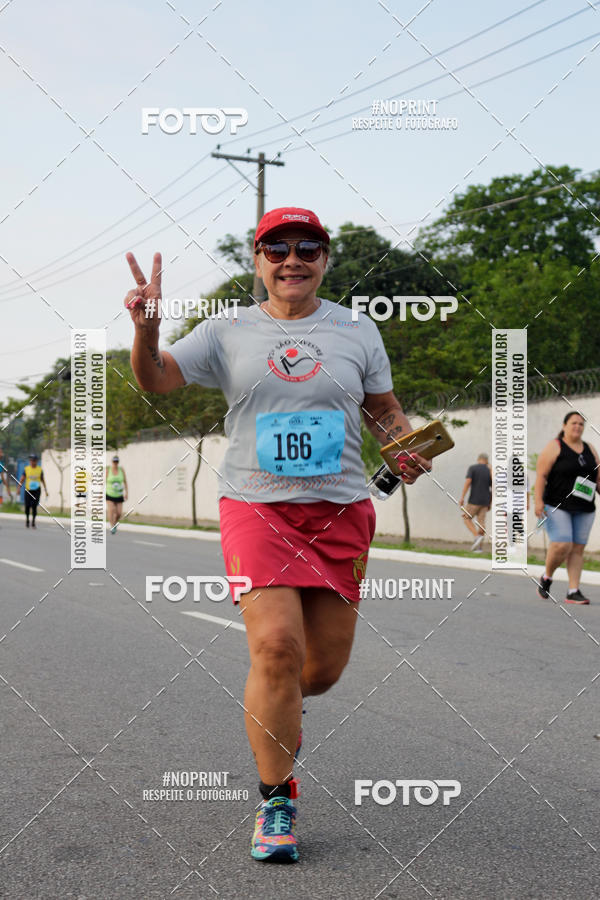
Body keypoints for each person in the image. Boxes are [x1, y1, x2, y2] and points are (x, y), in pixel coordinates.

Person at [124, 206, 431, 863]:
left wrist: (402, 443)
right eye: (277, 249)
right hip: (255, 508)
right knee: (275, 648)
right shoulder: (227, 329)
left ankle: (280, 706)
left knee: (318, 671)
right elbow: (156, 379)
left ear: (325, 259)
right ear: (258, 261)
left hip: (341, 511)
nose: (293, 260)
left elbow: (383, 410)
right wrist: (146, 330)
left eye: (307, 248)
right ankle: (276, 799)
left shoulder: (357, 329)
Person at [534, 411, 600, 604]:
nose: (577, 426)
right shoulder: (555, 446)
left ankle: (573, 591)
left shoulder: (590, 448)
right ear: (564, 426)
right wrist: (538, 501)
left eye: (581, 424)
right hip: (557, 505)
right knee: (562, 544)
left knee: (577, 549)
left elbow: (597, 478)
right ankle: (547, 577)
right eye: (573, 423)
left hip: (585, 507)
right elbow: (541, 476)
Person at [459, 453, 492, 551]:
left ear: (478, 459)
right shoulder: (489, 471)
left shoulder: (473, 468)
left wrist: (462, 497)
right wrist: (490, 502)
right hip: (485, 502)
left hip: (474, 500)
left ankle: (476, 536)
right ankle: (479, 548)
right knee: (481, 524)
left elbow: (468, 482)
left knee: (466, 518)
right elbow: (493, 487)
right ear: (486, 460)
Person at [18, 453, 47, 528]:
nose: (32, 462)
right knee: (27, 506)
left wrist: (46, 490)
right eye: (31, 460)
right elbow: (22, 479)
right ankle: (27, 520)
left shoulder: (39, 469)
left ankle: (33, 522)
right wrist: (19, 488)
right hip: (28, 490)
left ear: (36, 461)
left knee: (34, 506)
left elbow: (42, 480)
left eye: (34, 460)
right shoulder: (26, 469)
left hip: (36, 490)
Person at [106, 454, 128, 534]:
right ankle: (112, 526)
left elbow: (125, 482)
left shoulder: (121, 470)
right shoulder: (108, 470)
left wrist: (126, 493)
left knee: (119, 513)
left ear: (118, 462)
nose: (115, 463)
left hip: (119, 494)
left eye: (117, 462)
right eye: (114, 461)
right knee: (111, 510)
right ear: (112, 462)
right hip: (109, 494)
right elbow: (103, 482)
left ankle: (115, 523)